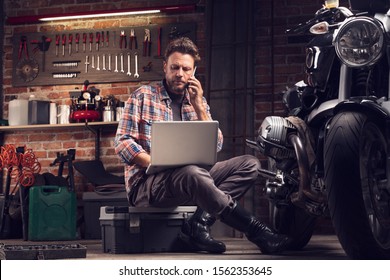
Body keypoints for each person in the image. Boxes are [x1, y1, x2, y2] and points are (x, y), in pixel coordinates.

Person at [114, 37, 290, 254]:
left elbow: (215, 144)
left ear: (193, 71)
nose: (180, 73)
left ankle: (198, 225)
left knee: (250, 164)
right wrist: (155, 162)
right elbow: (122, 143)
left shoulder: (197, 101)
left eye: (186, 69)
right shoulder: (143, 96)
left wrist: (199, 107)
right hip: (148, 185)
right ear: (165, 67)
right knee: (191, 173)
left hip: (191, 178)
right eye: (174, 67)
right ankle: (259, 232)